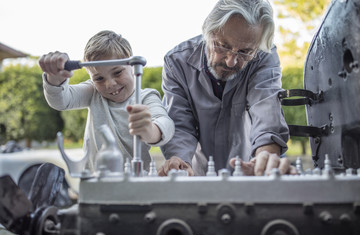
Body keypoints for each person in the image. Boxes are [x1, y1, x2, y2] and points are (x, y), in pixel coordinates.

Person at [158, 0, 296, 176]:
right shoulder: (177, 62)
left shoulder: (263, 58)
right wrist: (180, 162)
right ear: (208, 32)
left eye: (245, 52)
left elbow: (266, 107)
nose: (231, 61)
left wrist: (265, 159)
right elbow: (180, 124)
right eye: (223, 46)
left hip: (250, 173)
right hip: (198, 174)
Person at [39, 30, 174, 172]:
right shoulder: (93, 92)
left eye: (117, 72)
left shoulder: (146, 97)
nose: (110, 84)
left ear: (132, 66)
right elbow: (61, 101)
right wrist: (54, 79)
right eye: (99, 78)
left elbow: (165, 124)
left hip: (135, 184)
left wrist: (149, 130)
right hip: (96, 183)